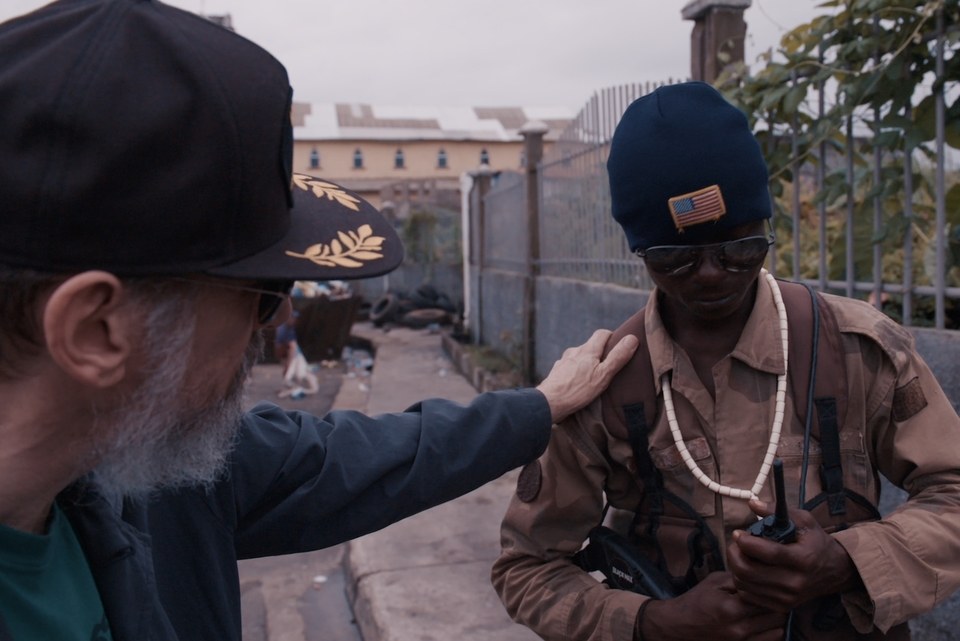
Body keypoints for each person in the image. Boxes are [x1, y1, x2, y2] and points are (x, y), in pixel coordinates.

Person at [0, 2, 639, 640]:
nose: (278, 315)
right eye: (262, 289)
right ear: (96, 332)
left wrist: (538, 405)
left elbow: (347, 459)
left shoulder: (140, 464)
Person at [492, 81, 960, 641]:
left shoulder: (855, 348)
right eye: (676, 258)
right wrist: (651, 622)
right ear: (638, 251)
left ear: (765, 228)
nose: (712, 274)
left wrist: (845, 561)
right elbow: (525, 567)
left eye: (740, 248)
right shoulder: (604, 383)